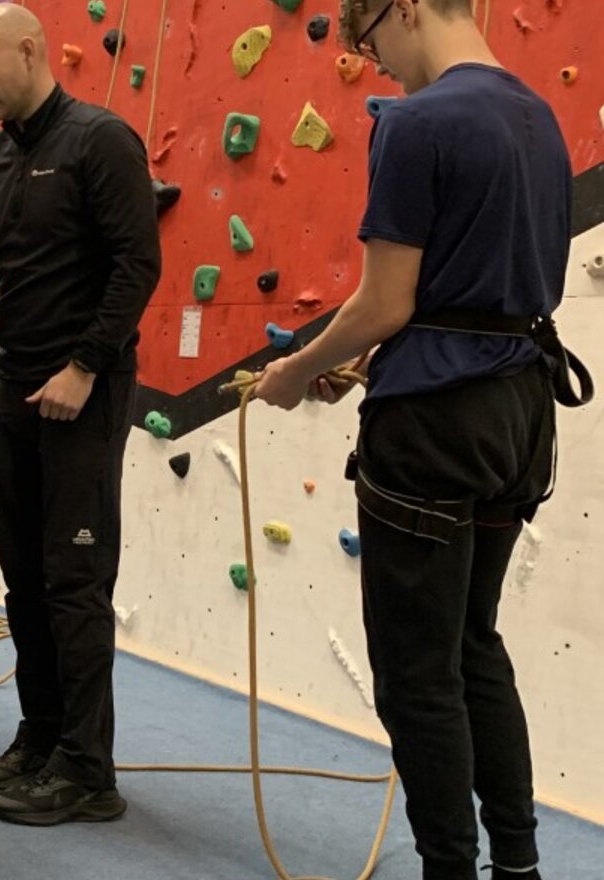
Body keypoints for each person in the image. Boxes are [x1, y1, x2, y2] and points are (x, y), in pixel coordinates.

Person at [253, 2, 587, 878]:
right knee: (474, 640)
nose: (377, 66)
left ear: (402, 9)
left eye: (369, 43)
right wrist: (377, 360)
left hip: (436, 424)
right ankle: (517, 863)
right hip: (518, 411)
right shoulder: (537, 115)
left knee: (414, 672)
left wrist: (294, 371)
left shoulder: (417, 121)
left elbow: (385, 303)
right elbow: (476, 299)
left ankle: (448, 868)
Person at [0, 3, 161, 826]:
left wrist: (85, 365)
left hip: (86, 386)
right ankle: (41, 737)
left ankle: (88, 770)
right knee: (23, 579)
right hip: (16, 385)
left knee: (74, 582)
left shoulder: (101, 140)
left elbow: (138, 265)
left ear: (32, 51)